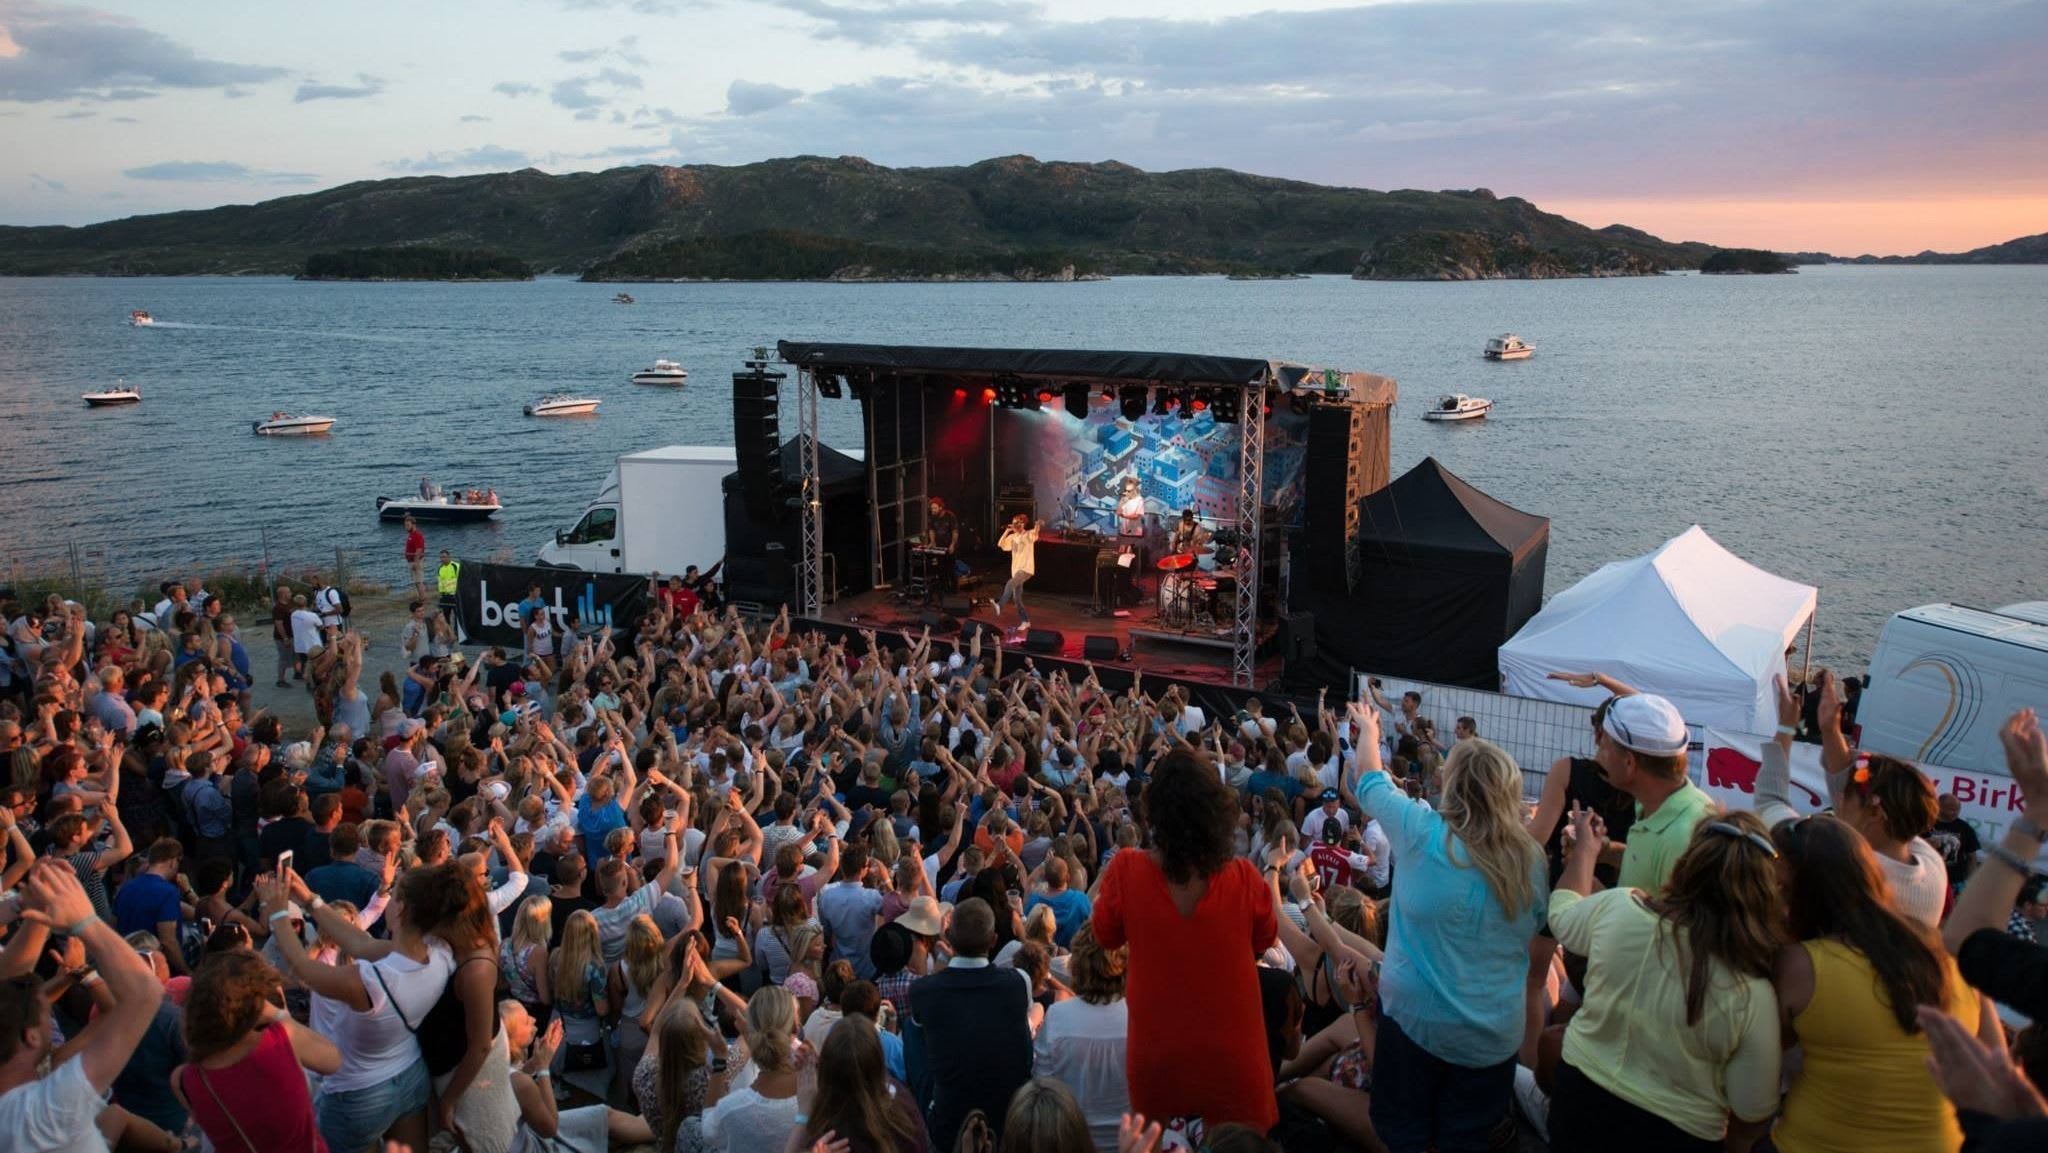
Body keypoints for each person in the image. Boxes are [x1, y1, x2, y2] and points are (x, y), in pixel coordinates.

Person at [1347, 706, 1545, 1153]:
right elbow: (1535, 925)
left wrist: (1370, 730)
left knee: (1405, 1135)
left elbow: (1370, 779)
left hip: (1415, 1025)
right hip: (1491, 1037)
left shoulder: (1421, 830)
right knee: (1467, 1141)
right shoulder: (1529, 859)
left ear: (1451, 784)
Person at [1545, 809, 1783, 1152]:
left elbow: (1562, 914)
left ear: (1687, 863)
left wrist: (1585, 851)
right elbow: (1753, 1109)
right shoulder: (1754, 993)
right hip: (1677, 1135)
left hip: (1579, 1103)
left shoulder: (1622, 909)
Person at [1770, 814, 1996, 1153]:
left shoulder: (1800, 965)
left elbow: (1758, 1058)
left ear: (1805, 895)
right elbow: (1996, 1065)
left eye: (1782, 889)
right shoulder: (1945, 952)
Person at [1094, 747, 1278, 1134]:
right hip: (1233, 1057)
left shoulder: (1126, 869)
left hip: (1157, 1054)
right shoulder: (1245, 877)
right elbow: (1263, 940)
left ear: (1155, 815)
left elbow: (1105, 935)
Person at [261, 862, 463, 1153]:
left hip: (360, 1095)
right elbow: (358, 943)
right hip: (411, 1075)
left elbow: (303, 967)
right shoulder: (439, 953)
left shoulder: (370, 981)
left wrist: (278, 912)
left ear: (401, 909)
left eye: (393, 895)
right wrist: (309, 899)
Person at [0, 861, 165, 1153]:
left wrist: (40, 912)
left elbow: (9, 989)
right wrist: (84, 920)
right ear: (30, 1036)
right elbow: (145, 993)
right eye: (46, 1013)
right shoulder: (43, 1113)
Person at [173, 950, 341, 1153]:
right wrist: (279, 1015)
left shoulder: (184, 1079)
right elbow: (334, 1060)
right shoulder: (280, 1041)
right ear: (259, 1004)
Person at [909, 897, 1034, 1149]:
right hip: (1008, 1123)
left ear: (948, 937)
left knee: (913, 1030)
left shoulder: (923, 990)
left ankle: (925, 1105)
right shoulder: (1018, 982)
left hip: (951, 1124)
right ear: (993, 941)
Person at [1033, 922, 1130, 1152]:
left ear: (1077, 965)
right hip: (1132, 1143)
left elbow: (1042, 1087)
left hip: (1071, 1142)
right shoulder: (1142, 1019)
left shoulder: (1058, 1017)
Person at [794, 1011, 927, 1153]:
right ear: (878, 1061)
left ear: (827, 1069)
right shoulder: (903, 1107)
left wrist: (803, 1117)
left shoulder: (826, 1138)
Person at [702, 986, 804, 1152]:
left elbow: (709, 1132)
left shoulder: (732, 1108)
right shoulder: (815, 1091)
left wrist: (720, 1060)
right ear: (796, 1027)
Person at [992, 515, 1042, 634]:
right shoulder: (1012, 537)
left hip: (1025, 569)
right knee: (1017, 599)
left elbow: (1035, 533)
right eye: (1013, 523)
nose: (1015, 525)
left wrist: (1038, 525)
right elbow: (1000, 544)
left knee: (1010, 583)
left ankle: (1000, 605)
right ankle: (1025, 621)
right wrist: (1007, 531)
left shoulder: (1028, 535)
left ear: (1022, 524)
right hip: (1016, 570)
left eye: (1017, 523)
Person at [435, 551, 462, 627]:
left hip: (454, 595)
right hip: (445, 596)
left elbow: (461, 579)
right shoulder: (440, 568)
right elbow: (440, 583)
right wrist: (441, 594)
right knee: (445, 616)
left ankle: (457, 631)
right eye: (441, 557)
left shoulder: (456, 566)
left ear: (449, 557)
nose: (442, 559)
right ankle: (448, 631)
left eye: (444, 557)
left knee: (458, 615)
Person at [403, 517, 427, 600]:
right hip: (412, 561)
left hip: (416, 562)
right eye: (405, 525)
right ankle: (421, 598)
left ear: (413, 525)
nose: (406, 527)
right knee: (417, 582)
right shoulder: (411, 534)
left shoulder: (417, 535)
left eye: (408, 525)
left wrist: (416, 563)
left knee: (419, 582)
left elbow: (419, 550)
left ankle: (422, 599)